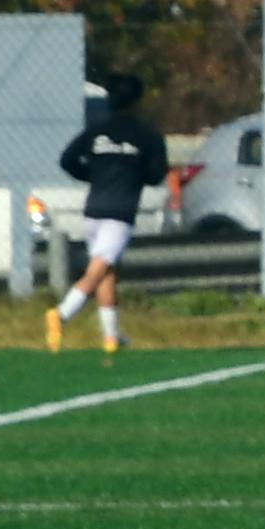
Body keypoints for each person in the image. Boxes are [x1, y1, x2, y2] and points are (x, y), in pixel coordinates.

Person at [49, 71, 164, 353]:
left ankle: (111, 337)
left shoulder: (96, 132)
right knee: (97, 270)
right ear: (138, 100)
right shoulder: (147, 136)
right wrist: (134, 175)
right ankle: (61, 314)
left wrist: (93, 174)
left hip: (93, 211)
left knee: (107, 273)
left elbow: (67, 160)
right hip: (120, 213)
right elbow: (156, 174)